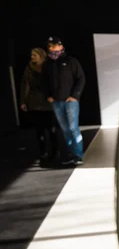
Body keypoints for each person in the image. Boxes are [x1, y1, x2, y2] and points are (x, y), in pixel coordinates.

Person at [44, 36, 86, 165]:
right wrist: (48, 95)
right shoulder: (48, 64)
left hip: (71, 101)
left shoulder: (71, 61)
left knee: (73, 128)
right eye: (51, 45)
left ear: (61, 46)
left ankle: (78, 155)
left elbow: (81, 78)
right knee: (65, 129)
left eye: (55, 45)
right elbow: (43, 81)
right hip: (57, 102)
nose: (53, 48)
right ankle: (71, 154)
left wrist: (75, 95)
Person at [20, 48, 57, 160]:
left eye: (34, 55)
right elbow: (25, 85)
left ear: (41, 56)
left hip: (48, 102)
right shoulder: (29, 69)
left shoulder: (49, 67)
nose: (32, 57)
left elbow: (55, 83)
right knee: (39, 130)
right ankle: (43, 152)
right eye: (31, 55)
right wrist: (23, 101)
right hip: (35, 102)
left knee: (52, 129)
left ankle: (55, 152)